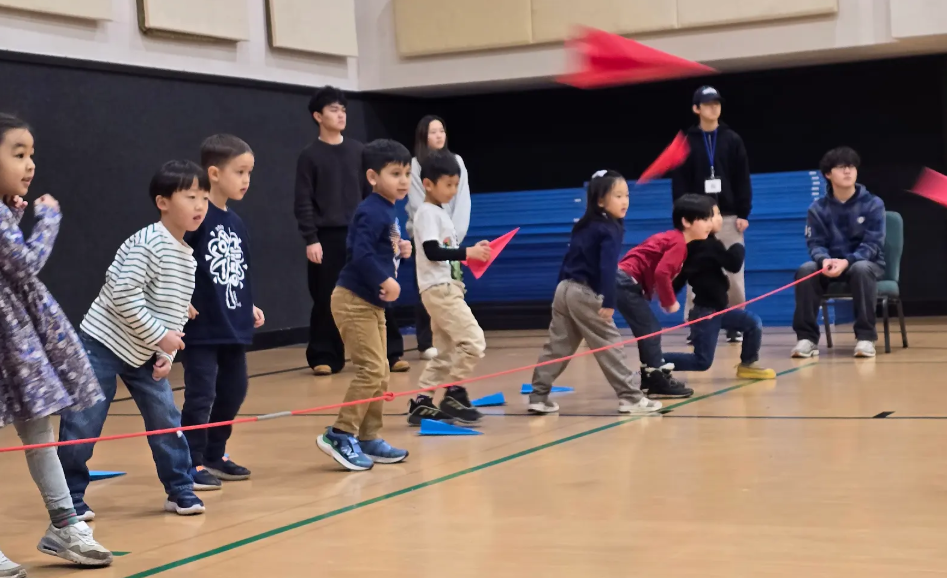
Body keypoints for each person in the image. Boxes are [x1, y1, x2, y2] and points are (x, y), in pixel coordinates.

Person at [58, 160, 209, 520]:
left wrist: (165, 356)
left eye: (204, 197)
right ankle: (69, 499)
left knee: (165, 419)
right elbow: (122, 296)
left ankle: (180, 489)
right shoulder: (147, 243)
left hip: (144, 351)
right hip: (101, 344)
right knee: (83, 422)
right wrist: (160, 335)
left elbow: (174, 314)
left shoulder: (187, 259)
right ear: (163, 202)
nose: (200, 205)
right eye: (190, 196)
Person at [0, 113, 112, 573]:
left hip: (14, 337)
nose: (30, 164)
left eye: (32, 155)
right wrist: (46, 218)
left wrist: (21, 211)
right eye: (18, 154)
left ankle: (65, 525)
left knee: (36, 426)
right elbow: (23, 263)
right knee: (34, 426)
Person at [527, 170, 663, 416]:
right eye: (618, 196)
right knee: (610, 345)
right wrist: (609, 300)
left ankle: (538, 395)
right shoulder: (610, 229)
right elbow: (607, 267)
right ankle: (631, 398)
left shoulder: (584, 225)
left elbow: (570, 259)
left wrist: (563, 292)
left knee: (559, 346)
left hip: (564, 289)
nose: (625, 201)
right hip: (586, 293)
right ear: (600, 201)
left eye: (626, 195)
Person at [294, 86, 408, 376]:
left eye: (343, 109)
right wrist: (311, 238)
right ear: (317, 116)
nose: (340, 114)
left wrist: (391, 235)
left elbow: (375, 196)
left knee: (380, 284)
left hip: (365, 228)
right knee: (326, 295)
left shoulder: (359, 151)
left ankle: (392, 352)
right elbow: (303, 199)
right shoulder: (309, 155)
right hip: (328, 235)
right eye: (334, 109)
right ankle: (325, 354)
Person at [316, 139, 412, 471]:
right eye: (395, 173)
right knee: (372, 369)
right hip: (354, 302)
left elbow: (379, 246)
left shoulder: (388, 208)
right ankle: (340, 433)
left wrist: (400, 247)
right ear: (373, 176)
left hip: (372, 305)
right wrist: (385, 280)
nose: (403, 180)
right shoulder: (371, 209)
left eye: (407, 173)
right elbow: (360, 253)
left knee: (381, 372)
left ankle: (369, 438)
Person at [181, 135, 264, 491]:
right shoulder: (196, 217)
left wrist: (250, 305)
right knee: (201, 395)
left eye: (249, 172)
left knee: (234, 391)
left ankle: (216, 453)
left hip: (233, 323)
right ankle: (190, 461)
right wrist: (180, 298)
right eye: (240, 171)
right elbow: (178, 259)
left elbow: (238, 270)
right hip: (203, 326)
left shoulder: (237, 222)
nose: (246, 179)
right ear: (214, 173)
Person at [405, 150, 490, 426]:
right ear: (428, 184)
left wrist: (471, 254)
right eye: (448, 184)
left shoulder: (438, 213)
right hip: (440, 289)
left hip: (446, 287)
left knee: (445, 353)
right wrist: (467, 253)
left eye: (456, 184)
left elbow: (444, 251)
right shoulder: (428, 213)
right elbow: (432, 251)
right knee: (474, 342)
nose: (453, 190)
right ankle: (454, 393)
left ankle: (422, 401)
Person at [672, 86, 752, 343]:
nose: (713, 107)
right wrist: (682, 218)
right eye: (707, 104)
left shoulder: (732, 139)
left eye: (716, 103)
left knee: (734, 273)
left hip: (728, 215)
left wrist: (743, 212)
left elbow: (742, 178)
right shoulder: (686, 141)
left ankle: (735, 323)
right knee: (696, 268)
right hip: (697, 219)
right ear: (696, 108)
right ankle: (697, 323)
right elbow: (680, 181)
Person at [615, 194, 715, 399]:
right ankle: (655, 377)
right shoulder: (678, 243)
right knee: (650, 329)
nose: (710, 224)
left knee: (648, 329)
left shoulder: (672, 239)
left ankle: (651, 375)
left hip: (621, 280)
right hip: (623, 282)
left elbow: (642, 260)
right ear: (686, 221)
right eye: (705, 219)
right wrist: (669, 302)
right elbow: (661, 273)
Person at [663, 201, 776, 379]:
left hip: (718, 310)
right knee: (701, 362)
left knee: (752, 323)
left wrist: (669, 297)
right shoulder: (706, 246)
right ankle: (656, 361)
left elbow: (682, 275)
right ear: (688, 222)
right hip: (706, 313)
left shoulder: (698, 244)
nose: (718, 220)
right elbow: (733, 263)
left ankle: (748, 363)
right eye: (712, 216)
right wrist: (738, 246)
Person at [791, 147, 885, 359]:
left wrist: (848, 261)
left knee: (861, 269)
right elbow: (815, 243)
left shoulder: (873, 204)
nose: (848, 171)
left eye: (851, 167)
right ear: (827, 174)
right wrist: (823, 260)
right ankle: (806, 339)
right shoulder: (818, 208)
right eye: (841, 167)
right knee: (806, 270)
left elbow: (873, 243)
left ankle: (865, 337)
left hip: (865, 263)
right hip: (830, 264)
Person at [405, 115, 472, 361]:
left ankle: (450, 336)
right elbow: (416, 202)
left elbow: (462, 199)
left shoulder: (457, 162)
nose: (438, 136)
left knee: (453, 286)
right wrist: (434, 228)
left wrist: (453, 234)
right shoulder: (415, 164)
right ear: (423, 137)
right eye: (432, 132)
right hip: (426, 235)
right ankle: (425, 342)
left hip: (451, 236)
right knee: (428, 287)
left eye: (441, 130)